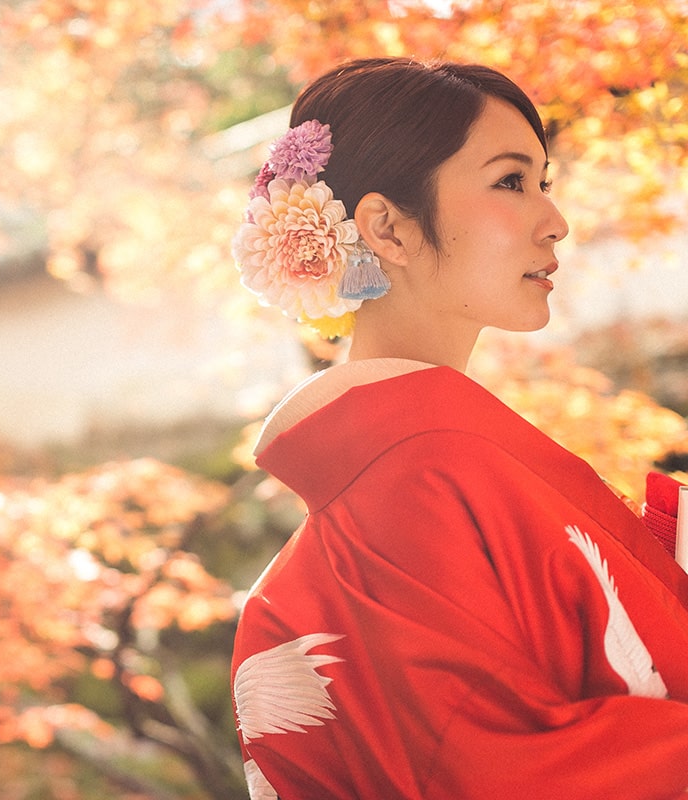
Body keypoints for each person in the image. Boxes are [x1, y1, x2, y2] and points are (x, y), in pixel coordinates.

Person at [229, 57, 688, 799]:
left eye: (545, 183)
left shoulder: (419, 468)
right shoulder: (415, 473)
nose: (556, 221)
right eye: (510, 182)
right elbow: (500, 771)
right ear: (388, 228)